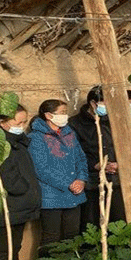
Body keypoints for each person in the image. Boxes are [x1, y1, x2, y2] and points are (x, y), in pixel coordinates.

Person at [0, 105, 41, 260]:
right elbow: (7, 176)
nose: (22, 125)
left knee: (13, 251)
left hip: (17, 209)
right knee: (3, 254)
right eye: (18, 122)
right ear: (2, 123)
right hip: (6, 209)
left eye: (25, 121)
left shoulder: (18, 141)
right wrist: (24, 190)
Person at [27, 100, 88, 251]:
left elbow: (81, 158)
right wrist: (68, 183)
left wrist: (81, 179)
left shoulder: (69, 133)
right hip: (51, 197)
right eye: (62, 113)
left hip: (74, 194)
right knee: (51, 238)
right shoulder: (36, 137)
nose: (65, 116)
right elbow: (40, 168)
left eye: (65, 113)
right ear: (48, 115)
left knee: (72, 236)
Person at [68, 86, 125, 229]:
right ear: (93, 104)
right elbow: (73, 154)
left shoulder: (112, 120)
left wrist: (120, 163)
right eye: (105, 104)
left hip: (115, 181)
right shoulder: (75, 124)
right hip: (91, 183)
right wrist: (96, 165)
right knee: (92, 224)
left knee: (118, 223)